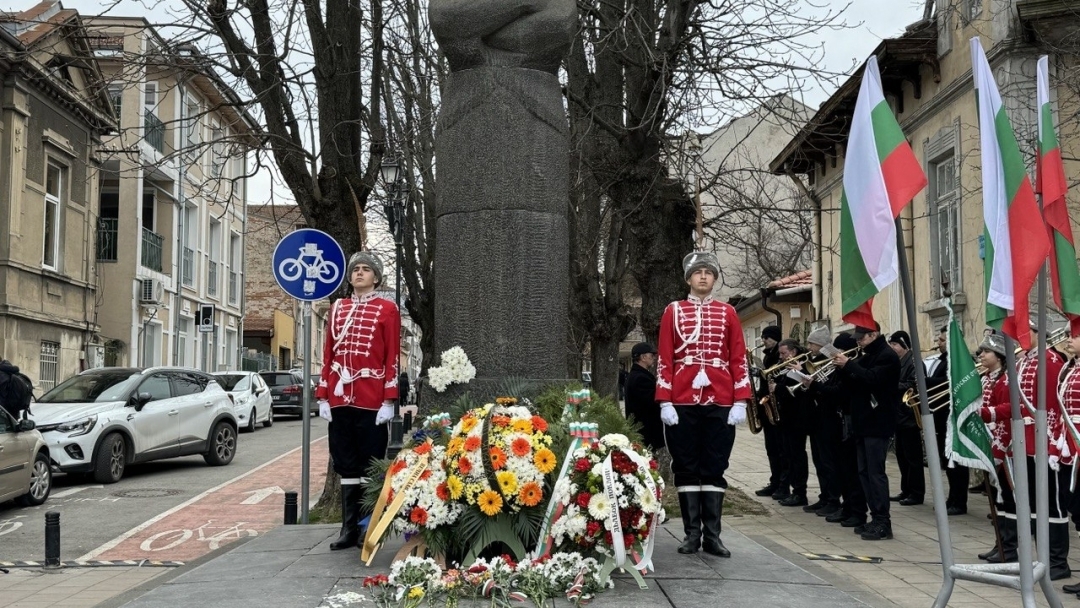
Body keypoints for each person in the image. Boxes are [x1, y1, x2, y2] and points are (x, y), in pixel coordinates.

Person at [656, 251, 751, 558]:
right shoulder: (673, 311)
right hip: (682, 399)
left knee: (715, 465)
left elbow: (738, 357)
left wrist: (741, 400)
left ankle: (713, 536)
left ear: (714, 278)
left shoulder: (728, 313)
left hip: (720, 399)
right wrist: (664, 400)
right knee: (685, 466)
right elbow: (665, 357)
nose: (703, 276)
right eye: (698, 272)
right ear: (688, 278)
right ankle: (691, 534)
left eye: (709, 272)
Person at [316, 251, 401, 551]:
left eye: (366, 270)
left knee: (370, 465)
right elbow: (329, 355)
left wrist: (389, 399)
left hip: (371, 398)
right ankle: (348, 528)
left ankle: (368, 526)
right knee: (346, 463)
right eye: (356, 270)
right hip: (340, 398)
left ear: (376, 277)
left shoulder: (387, 309)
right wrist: (323, 394)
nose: (360, 274)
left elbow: (392, 356)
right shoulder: (337, 308)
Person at [831, 322, 899, 541]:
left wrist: (849, 365)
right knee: (864, 473)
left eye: (862, 338)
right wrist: (841, 369)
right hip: (862, 422)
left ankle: (883, 521)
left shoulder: (886, 355)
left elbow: (873, 380)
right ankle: (874, 517)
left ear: (874, 334)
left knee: (875, 473)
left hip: (877, 423)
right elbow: (853, 384)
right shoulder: (867, 354)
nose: (858, 342)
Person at [804, 332, 867, 527]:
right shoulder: (839, 368)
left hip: (845, 422)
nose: (837, 354)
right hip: (833, 420)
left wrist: (815, 385)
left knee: (849, 470)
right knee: (840, 467)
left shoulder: (852, 367)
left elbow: (839, 392)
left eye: (840, 350)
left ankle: (852, 509)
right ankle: (846, 507)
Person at [926, 326, 970, 515]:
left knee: (956, 462)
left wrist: (924, 381)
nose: (939, 343)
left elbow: (949, 382)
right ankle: (952, 498)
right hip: (941, 415)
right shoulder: (943, 359)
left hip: (952, 416)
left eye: (943, 340)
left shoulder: (959, 360)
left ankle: (959, 501)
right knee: (948, 462)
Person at [802, 326, 842, 517]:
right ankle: (825, 496)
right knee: (819, 461)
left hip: (828, 418)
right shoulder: (816, 360)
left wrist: (813, 384)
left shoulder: (831, 360)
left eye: (812, 343)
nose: (809, 347)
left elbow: (830, 390)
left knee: (828, 462)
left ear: (821, 344)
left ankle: (833, 499)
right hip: (815, 418)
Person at [771, 338, 811, 507]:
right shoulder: (786, 367)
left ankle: (800, 492)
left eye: (783, 353)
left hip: (797, 418)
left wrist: (777, 388)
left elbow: (796, 390)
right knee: (788, 455)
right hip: (786, 418)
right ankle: (793, 489)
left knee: (797, 455)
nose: (781, 357)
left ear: (793, 352)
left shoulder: (801, 366)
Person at [888, 331, 925, 507]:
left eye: (895, 345)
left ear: (904, 346)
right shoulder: (897, 362)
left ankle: (916, 492)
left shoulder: (914, 362)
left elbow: (914, 385)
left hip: (910, 414)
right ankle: (906, 489)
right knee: (901, 455)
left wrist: (890, 385)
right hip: (898, 414)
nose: (892, 348)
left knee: (913, 457)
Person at [754, 325, 789, 500]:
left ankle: (783, 485)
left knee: (780, 450)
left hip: (777, 409)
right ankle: (775, 481)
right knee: (771, 449)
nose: (763, 341)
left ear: (774, 338)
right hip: (767, 406)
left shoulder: (778, 356)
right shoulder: (768, 356)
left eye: (766, 338)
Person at [624, 342, 663, 452]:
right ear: (643, 357)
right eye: (651, 355)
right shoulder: (640, 378)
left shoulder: (637, 375)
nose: (654, 358)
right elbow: (652, 402)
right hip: (645, 431)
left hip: (643, 430)